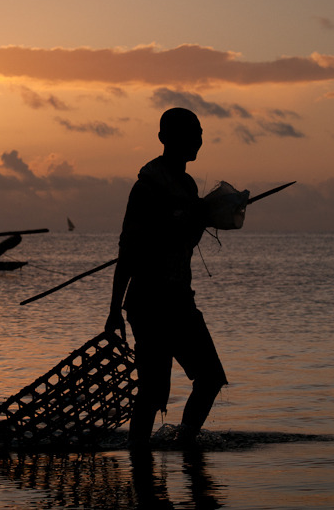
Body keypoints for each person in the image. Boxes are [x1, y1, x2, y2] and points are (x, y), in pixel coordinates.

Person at [105, 107, 228, 449]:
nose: (196, 141)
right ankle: (139, 458)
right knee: (154, 393)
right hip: (148, 303)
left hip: (180, 300)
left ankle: (183, 442)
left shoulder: (188, 186)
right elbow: (127, 252)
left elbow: (187, 243)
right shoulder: (146, 189)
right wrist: (115, 310)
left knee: (210, 378)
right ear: (164, 139)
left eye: (199, 134)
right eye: (189, 134)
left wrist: (202, 217)